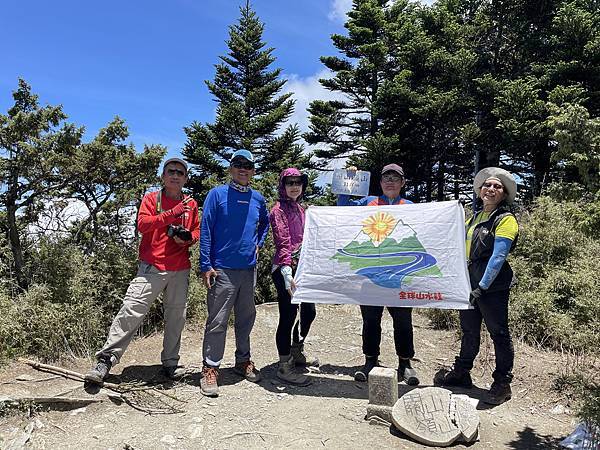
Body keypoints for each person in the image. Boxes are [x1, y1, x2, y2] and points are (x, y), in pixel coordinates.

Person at [85, 157, 200, 384]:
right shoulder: (151, 199)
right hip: (152, 267)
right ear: (163, 176)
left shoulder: (191, 204)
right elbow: (142, 225)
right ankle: (105, 360)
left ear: (185, 178)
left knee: (176, 317)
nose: (175, 175)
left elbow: (196, 232)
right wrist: (171, 214)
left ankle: (170, 363)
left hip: (180, 269)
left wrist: (186, 240)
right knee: (131, 311)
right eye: (171, 171)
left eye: (180, 172)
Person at [441, 167, 519, 405]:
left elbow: (498, 257)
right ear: (479, 190)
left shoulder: (505, 219)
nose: (491, 189)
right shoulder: (473, 218)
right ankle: (462, 372)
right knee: (469, 330)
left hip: (491, 288)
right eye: (487, 185)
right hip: (469, 286)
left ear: (504, 194)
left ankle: (502, 383)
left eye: (497, 186)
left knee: (499, 333)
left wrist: (482, 287)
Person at [337, 164, 419, 385]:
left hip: (399, 276)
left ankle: (405, 364)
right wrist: (348, 180)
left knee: (403, 322)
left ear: (403, 183)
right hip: (371, 275)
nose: (390, 181)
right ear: (380, 182)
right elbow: (343, 208)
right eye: (385, 178)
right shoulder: (368, 202)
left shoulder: (410, 206)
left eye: (395, 178)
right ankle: (370, 360)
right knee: (370, 320)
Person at [199, 149, 270, 397]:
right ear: (231, 168)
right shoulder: (217, 195)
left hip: (248, 269)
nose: (243, 169)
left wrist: (259, 243)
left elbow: (265, 222)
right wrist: (205, 265)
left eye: (248, 165)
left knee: (245, 318)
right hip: (222, 269)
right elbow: (205, 228)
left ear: (252, 171)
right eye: (238, 164)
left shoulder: (258, 199)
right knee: (217, 321)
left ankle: (243, 361)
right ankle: (210, 368)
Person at [270, 168, 318, 386]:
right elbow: (283, 242)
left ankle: (296, 347)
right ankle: (284, 364)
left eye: (298, 182)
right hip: (284, 269)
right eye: (290, 182)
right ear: (283, 185)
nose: (294, 186)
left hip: (304, 268)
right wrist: (287, 270)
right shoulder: (277, 210)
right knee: (288, 315)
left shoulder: (303, 209)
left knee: (309, 311)